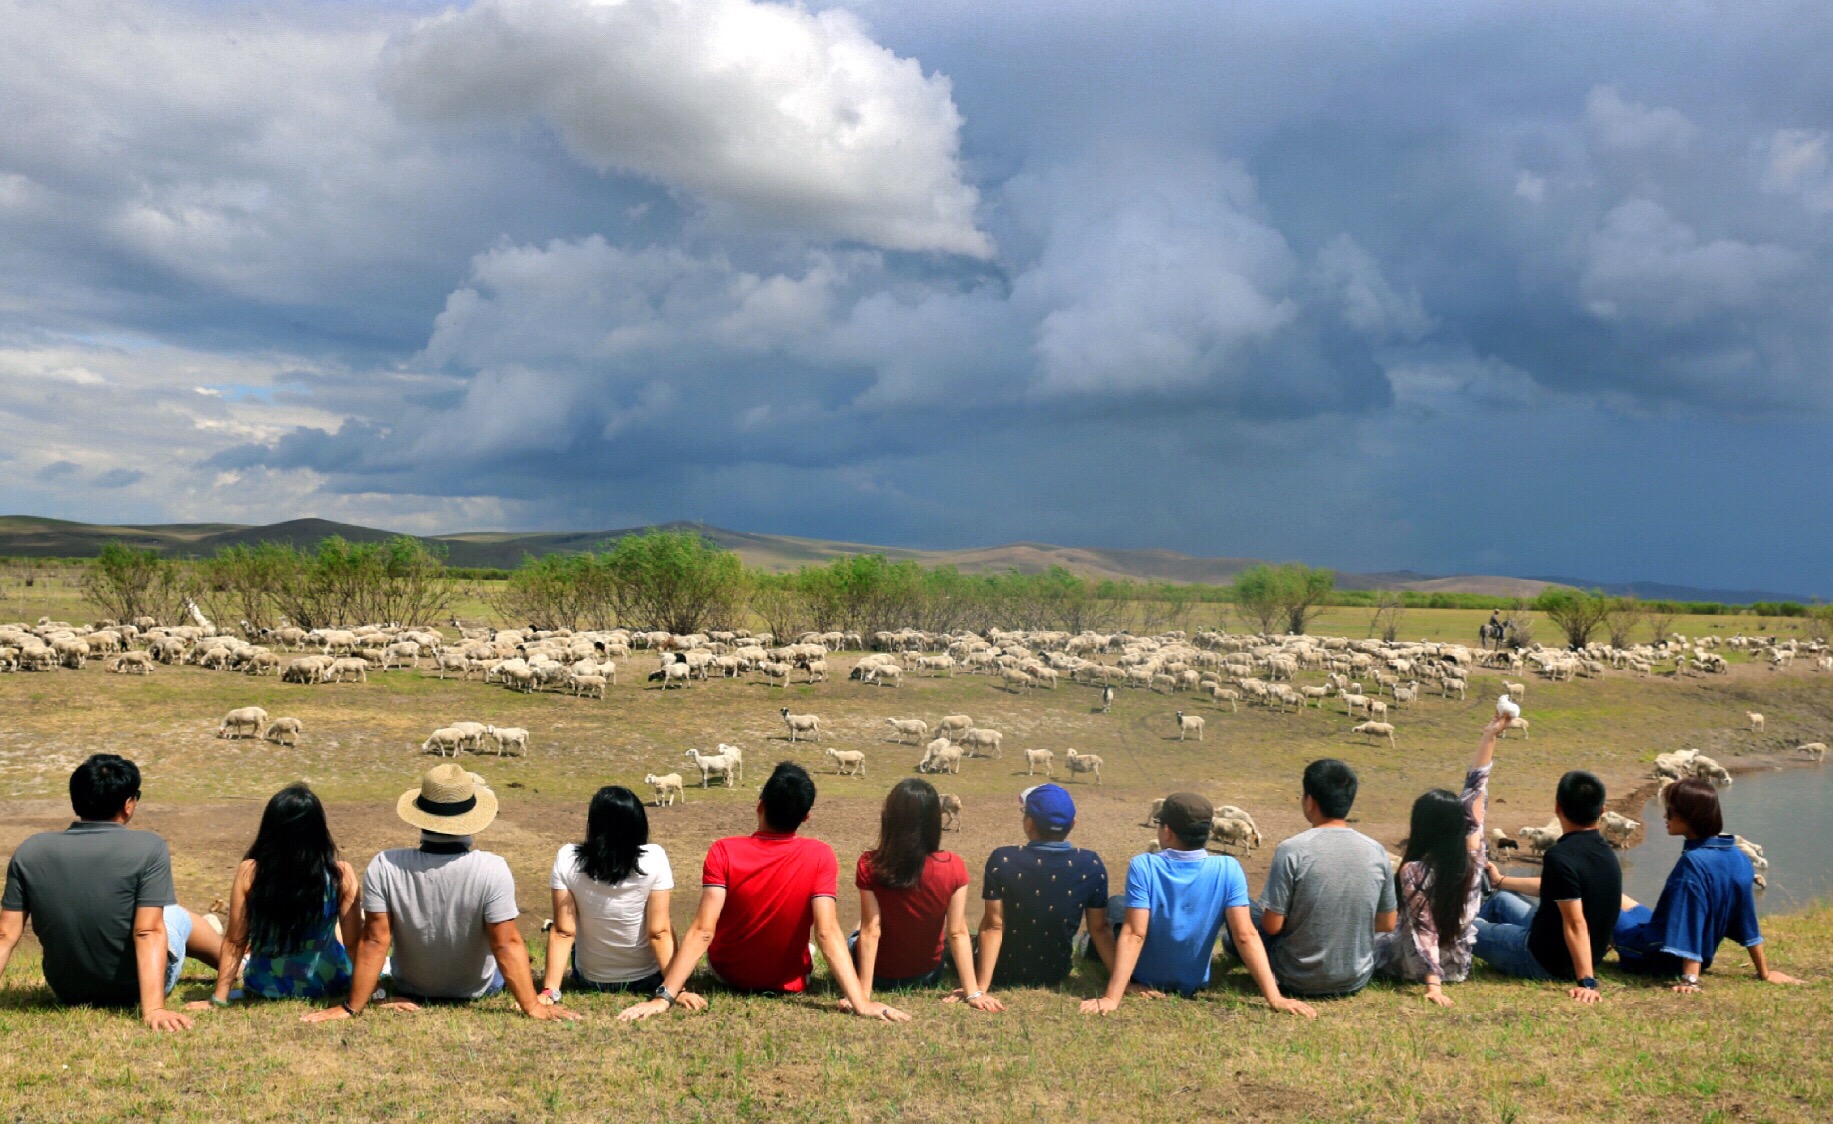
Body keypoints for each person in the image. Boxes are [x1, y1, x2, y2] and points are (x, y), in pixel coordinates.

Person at [619, 762, 908, 1022]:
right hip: (791, 981)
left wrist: (663, 997)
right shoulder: (821, 855)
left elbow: (703, 931)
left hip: (727, 975)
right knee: (809, 947)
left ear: (760, 805)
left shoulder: (723, 850)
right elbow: (827, 932)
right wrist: (861, 1002)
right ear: (806, 817)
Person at [303, 764, 576, 1023]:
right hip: (478, 987)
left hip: (410, 985)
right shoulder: (492, 868)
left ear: (420, 815)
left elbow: (375, 941)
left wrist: (352, 1007)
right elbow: (505, 944)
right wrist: (532, 1005)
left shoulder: (385, 865)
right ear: (471, 819)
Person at [0, 754, 222, 1031]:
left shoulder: (30, 849)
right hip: (132, 990)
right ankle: (234, 965)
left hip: (68, 990)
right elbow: (147, 931)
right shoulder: (148, 847)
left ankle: (233, 961)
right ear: (128, 804)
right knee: (176, 914)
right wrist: (153, 1009)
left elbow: (6, 934)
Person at [1080, 792, 1316, 1018]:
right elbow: (1245, 935)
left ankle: (1087, 947)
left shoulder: (1144, 866)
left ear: (1167, 832)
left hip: (1145, 975)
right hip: (1191, 982)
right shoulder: (1228, 868)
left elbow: (1134, 933)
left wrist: (1112, 997)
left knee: (1116, 905)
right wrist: (1275, 997)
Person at [1613, 778, 1801, 991]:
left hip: (1657, 957)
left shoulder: (1693, 863)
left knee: (1594, 900)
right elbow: (1745, 918)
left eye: (1671, 811)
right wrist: (1764, 972)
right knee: (1616, 897)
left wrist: (1690, 979)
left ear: (1690, 815)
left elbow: (1691, 919)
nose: (1665, 816)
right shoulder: (1737, 857)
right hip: (1698, 955)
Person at [187, 784, 360, 1009]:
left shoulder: (250, 873)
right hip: (328, 983)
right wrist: (375, 991)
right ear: (319, 830)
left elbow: (234, 941)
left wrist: (219, 998)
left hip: (265, 985)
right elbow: (355, 943)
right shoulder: (341, 874)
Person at [1373, 713, 1504, 1006]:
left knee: (1369, 935)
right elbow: (1476, 788)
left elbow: (1425, 929)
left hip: (1416, 966)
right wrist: (1490, 735)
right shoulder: (1473, 854)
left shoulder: (1415, 871)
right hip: (1458, 965)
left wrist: (1433, 984)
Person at [1246, 759, 1397, 999]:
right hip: (1354, 978)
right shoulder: (1376, 850)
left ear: (1310, 801)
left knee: (1241, 921)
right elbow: (1387, 923)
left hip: (1296, 978)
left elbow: (1272, 925)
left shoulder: (1292, 849)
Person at [1475, 770, 1621, 1003]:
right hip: (1568, 947)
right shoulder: (1606, 852)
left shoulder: (1559, 856)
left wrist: (1586, 982)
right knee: (1501, 898)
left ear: (1557, 808)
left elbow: (1575, 923)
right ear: (1602, 811)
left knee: (1465, 927)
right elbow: (1560, 888)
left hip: (1544, 961)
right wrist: (1501, 880)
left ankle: (1459, 946)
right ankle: (1470, 947)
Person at [852, 778, 996, 1011]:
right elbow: (958, 932)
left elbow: (871, 931)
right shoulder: (954, 865)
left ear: (890, 818)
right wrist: (973, 992)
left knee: (859, 927)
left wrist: (863, 995)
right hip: (927, 975)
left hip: (880, 974)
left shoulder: (869, 863)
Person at [975, 784, 1115, 996]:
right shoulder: (1090, 863)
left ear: (1029, 823)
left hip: (1004, 971)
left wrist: (981, 988)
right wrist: (1125, 981)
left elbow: (994, 926)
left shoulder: (1003, 859)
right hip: (1056, 972)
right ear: (1073, 823)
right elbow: (1099, 928)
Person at [539, 785, 675, 1003]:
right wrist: (676, 988)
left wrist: (549, 991)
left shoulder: (566, 857)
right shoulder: (655, 857)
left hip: (591, 979)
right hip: (649, 977)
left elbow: (564, 932)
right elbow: (658, 932)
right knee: (663, 921)